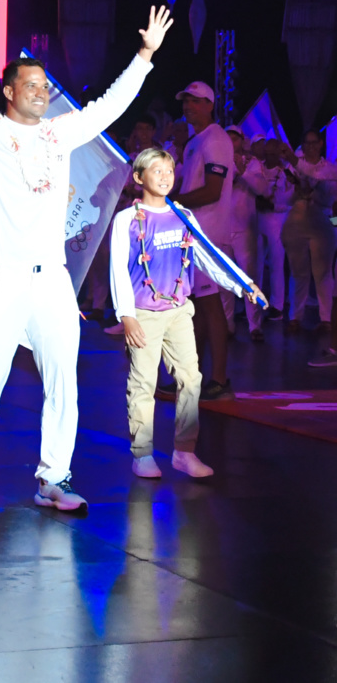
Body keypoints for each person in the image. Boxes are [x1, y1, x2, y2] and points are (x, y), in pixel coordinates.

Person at [0, 5, 173, 511]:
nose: (41, 91)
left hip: (52, 280)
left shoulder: (61, 132)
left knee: (63, 378)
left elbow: (109, 106)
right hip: (2, 278)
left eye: (44, 86)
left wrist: (145, 54)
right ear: (9, 91)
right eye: (30, 85)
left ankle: (53, 477)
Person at [110, 148, 266, 479]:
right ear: (139, 178)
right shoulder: (127, 219)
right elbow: (119, 271)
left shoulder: (182, 215)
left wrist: (243, 285)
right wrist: (126, 315)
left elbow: (208, 256)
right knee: (143, 381)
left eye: (169, 171)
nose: (165, 177)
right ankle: (142, 453)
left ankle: (184, 451)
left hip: (180, 311)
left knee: (191, 379)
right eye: (157, 171)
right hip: (144, 313)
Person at [169, 81, 235, 401]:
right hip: (194, 234)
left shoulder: (216, 139)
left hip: (208, 235)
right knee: (195, 308)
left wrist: (175, 202)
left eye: (195, 101)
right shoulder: (197, 140)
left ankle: (220, 380)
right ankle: (191, 377)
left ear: (210, 104)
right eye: (185, 101)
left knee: (210, 308)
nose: (188, 106)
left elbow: (213, 190)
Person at [281, 130, 337, 330]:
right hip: (296, 221)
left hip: (321, 222)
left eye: (315, 143)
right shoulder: (291, 168)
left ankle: (326, 319)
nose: (311, 146)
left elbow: (329, 199)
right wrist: (296, 192)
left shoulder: (330, 169)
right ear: (303, 145)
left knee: (322, 272)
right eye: (307, 143)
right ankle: (295, 316)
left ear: (321, 144)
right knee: (298, 272)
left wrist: (313, 193)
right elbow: (282, 199)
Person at [220, 126, 265, 341]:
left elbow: (262, 189)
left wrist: (243, 170)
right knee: (225, 278)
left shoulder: (252, 163)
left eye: (235, 139)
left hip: (245, 229)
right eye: (227, 139)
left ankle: (254, 325)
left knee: (249, 278)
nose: (231, 142)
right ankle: (227, 324)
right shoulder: (217, 161)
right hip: (222, 227)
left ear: (241, 141)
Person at [255, 139, 295, 322]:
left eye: (274, 153)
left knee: (276, 263)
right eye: (267, 153)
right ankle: (254, 302)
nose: (270, 156)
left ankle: (277, 306)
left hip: (277, 219)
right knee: (255, 263)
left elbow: (289, 199)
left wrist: (272, 203)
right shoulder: (257, 168)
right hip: (257, 217)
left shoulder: (287, 172)